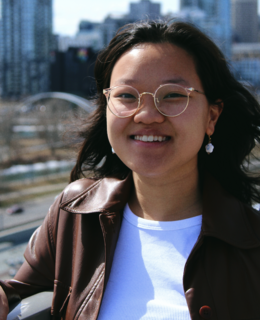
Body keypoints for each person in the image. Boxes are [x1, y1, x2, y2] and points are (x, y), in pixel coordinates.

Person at [1, 20, 260, 320]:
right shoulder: (75, 213)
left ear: (211, 117)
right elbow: (17, 290)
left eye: (173, 95)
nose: (147, 115)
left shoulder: (251, 245)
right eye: (126, 96)